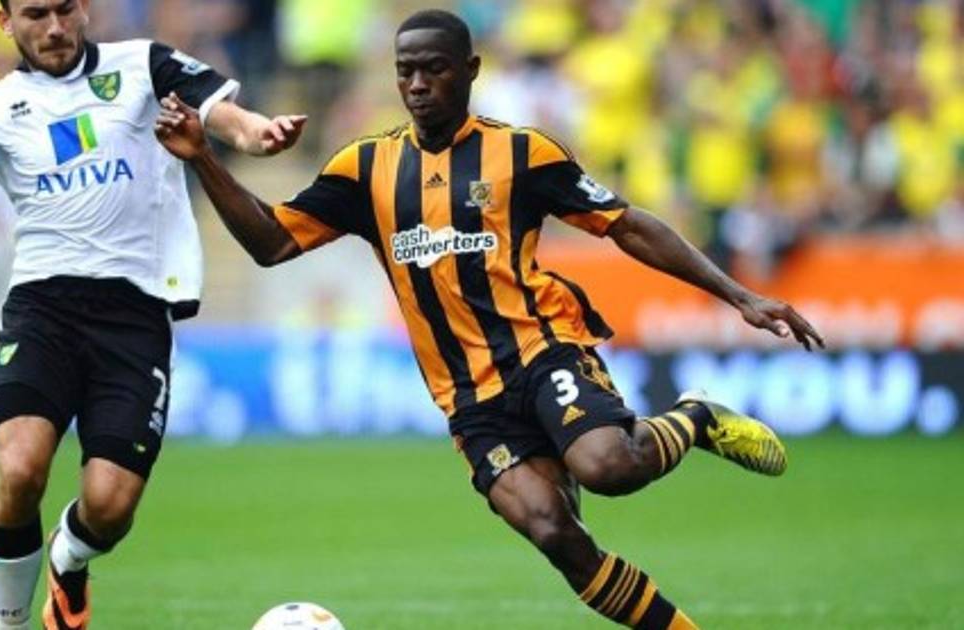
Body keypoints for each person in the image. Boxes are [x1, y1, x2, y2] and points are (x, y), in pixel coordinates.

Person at [154, 9, 824, 629]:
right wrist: (205, 158)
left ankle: (696, 417)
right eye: (405, 71)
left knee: (608, 467)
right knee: (556, 532)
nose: (418, 85)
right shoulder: (366, 169)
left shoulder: (523, 154)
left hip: (541, 350)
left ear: (470, 70)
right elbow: (272, 243)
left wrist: (739, 296)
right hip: (468, 397)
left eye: (434, 69)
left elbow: (626, 225)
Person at [0, 1, 306, 628]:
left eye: (65, 8)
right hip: (42, 308)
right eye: (35, 14)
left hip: (135, 312)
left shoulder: (143, 65)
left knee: (109, 508)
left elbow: (225, 117)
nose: (54, 27)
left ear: (85, 9)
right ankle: (11, 624)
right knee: (20, 470)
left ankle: (68, 558)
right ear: (4, 22)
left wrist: (261, 134)